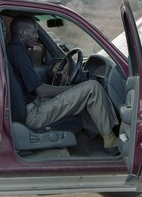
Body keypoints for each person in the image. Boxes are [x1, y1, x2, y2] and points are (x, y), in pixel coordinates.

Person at [7, 15, 120, 155]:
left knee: (84, 95)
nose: (36, 36)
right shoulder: (19, 54)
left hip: (33, 105)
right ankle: (110, 140)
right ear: (22, 33)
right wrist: (74, 88)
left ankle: (91, 139)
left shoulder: (14, 50)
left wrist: (73, 90)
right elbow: (41, 91)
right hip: (34, 114)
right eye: (34, 32)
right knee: (93, 88)